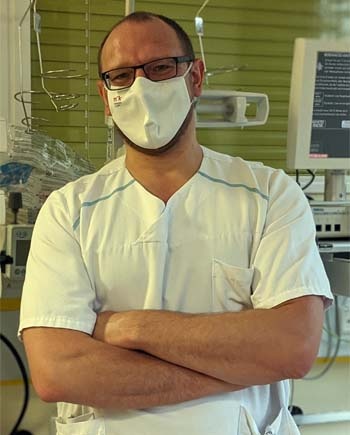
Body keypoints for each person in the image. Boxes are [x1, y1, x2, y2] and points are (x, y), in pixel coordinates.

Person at [19, 11, 333, 435]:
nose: (142, 87)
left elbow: (291, 349)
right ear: (105, 93)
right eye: (122, 75)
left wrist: (126, 326)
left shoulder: (270, 195)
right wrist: (233, 370)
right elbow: (58, 371)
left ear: (196, 77)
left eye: (160, 67)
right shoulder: (69, 212)